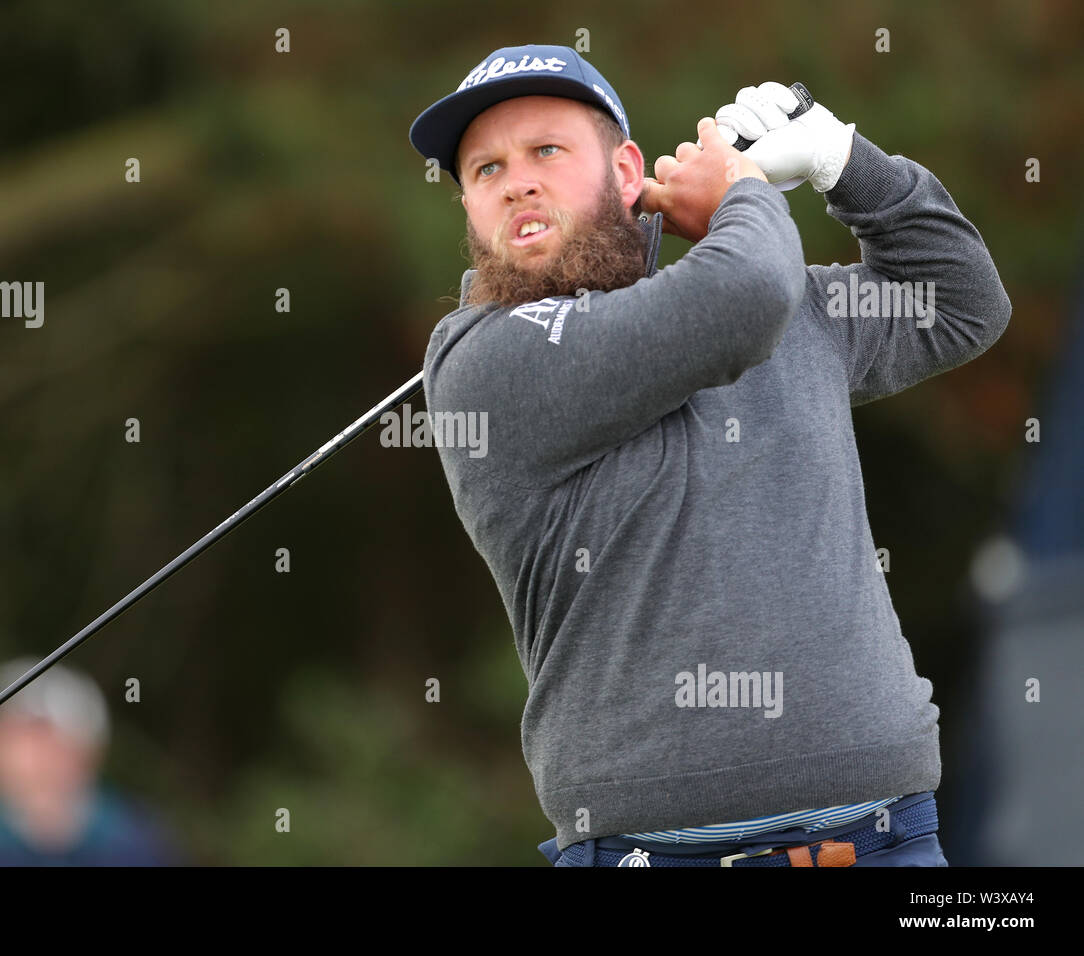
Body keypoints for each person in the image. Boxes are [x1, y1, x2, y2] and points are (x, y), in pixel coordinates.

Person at [408, 44, 1011, 866]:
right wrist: (744, 196)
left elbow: (963, 301)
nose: (516, 181)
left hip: (877, 839)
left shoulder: (779, 303)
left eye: (546, 150)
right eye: (484, 170)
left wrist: (844, 160)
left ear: (626, 172)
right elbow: (741, 295)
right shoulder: (482, 361)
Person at [0, 658, 178, 865]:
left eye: (38, 736)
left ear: (86, 748)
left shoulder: (135, 841)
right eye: (4, 735)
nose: (21, 756)